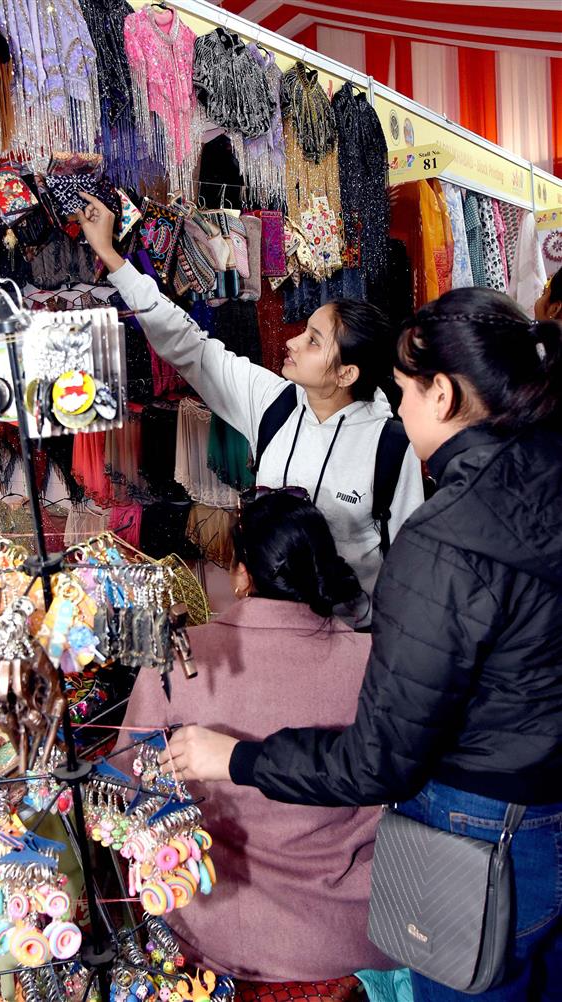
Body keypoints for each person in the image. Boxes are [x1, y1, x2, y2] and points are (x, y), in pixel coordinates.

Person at [160, 288, 562, 1001]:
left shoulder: (441, 540)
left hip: (479, 833)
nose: (398, 410)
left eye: (403, 391)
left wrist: (237, 756)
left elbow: (378, 762)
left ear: (441, 394)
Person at [77, 195, 424, 612]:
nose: (293, 342)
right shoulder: (273, 402)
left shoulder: (390, 447)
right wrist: (112, 257)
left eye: (313, 340)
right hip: (270, 625)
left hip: (353, 638)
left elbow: (411, 566)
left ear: (347, 374)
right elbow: (191, 347)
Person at [115, 489, 391, 990]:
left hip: (213, 922)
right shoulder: (373, 661)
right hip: (343, 926)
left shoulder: (181, 657)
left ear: (242, 575)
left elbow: (128, 791)